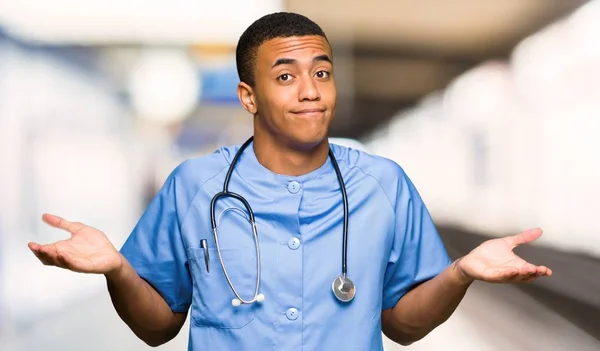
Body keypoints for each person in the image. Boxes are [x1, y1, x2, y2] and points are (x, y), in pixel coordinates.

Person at [28, 12, 552, 351]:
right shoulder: (195, 186)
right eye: (285, 76)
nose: (310, 91)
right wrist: (118, 270)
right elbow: (157, 327)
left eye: (321, 73)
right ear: (248, 96)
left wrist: (461, 272)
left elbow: (403, 326)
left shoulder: (383, 185)